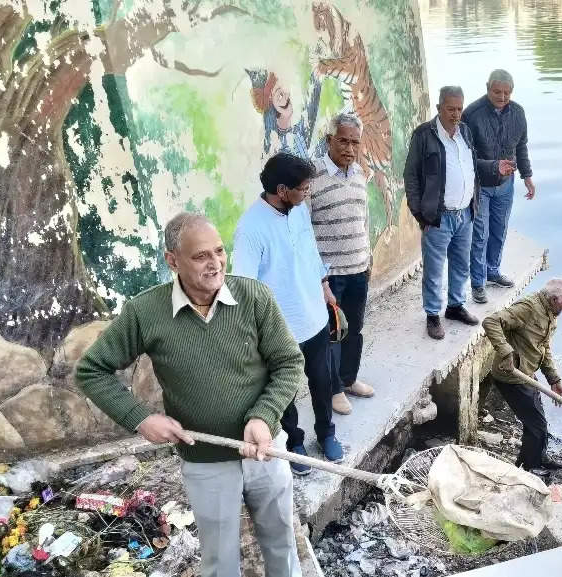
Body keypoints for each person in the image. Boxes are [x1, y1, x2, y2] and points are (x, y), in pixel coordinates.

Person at [76, 212, 304, 577]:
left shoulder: (254, 297)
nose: (215, 264)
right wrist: (141, 418)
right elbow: (91, 370)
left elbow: (289, 363)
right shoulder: (145, 311)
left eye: (219, 251)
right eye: (200, 256)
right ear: (172, 260)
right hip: (205, 462)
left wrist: (263, 416)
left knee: (282, 544)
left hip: (266, 449)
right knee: (219, 561)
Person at [234, 152, 345, 474]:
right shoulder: (250, 229)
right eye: (304, 188)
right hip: (280, 329)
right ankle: (294, 443)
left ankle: (326, 434)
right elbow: (244, 285)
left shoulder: (297, 211)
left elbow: (309, 251)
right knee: (286, 391)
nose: (308, 192)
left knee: (322, 382)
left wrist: (324, 286)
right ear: (282, 190)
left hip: (315, 318)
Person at [404, 85, 515, 340]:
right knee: (434, 269)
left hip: (465, 214)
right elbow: (411, 176)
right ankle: (433, 315)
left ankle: (455, 306)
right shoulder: (424, 135)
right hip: (438, 217)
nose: (456, 114)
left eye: (459, 109)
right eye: (450, 109)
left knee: (461, 265)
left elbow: (471, 166)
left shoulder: (465, 131)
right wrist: (420, 214)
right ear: (439, 108)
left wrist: (495, 167)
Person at [308, 113, 375, 416]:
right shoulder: (314, 178)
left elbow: (364, 219)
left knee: (355, 329)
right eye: (343, 141)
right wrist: (319, 278)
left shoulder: (360, 173)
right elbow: (305, 231)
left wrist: (368, 257)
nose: (349, 148)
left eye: (355, 143)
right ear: (329, 141)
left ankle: (348, 380)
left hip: (359, 268)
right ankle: (333, 389)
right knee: (332, 334)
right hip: (331, 275)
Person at [480, 278, 562, 475]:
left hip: (527, 373)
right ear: (555, 299)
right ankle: (530, 467)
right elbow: (491, 322)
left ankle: (537, 457)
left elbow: (544, 347)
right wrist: (505, 352)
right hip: (511, 377)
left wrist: (554, 380)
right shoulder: (528, 308)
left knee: (538, 420)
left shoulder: (549, 314)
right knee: (537, 425)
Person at [462, 69, 534, 304]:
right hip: (480, 185)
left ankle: (493, 271)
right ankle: (478, 282)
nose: (502, 97)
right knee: (480, 234)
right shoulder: (471, 114)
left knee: (499, 229)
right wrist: (494, 166)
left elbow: (521, 146)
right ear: (487, 88)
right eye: (497, 92)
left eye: (506, 93)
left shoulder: (519, 112)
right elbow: (464, 156)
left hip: (506, 184)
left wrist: (527, 176)